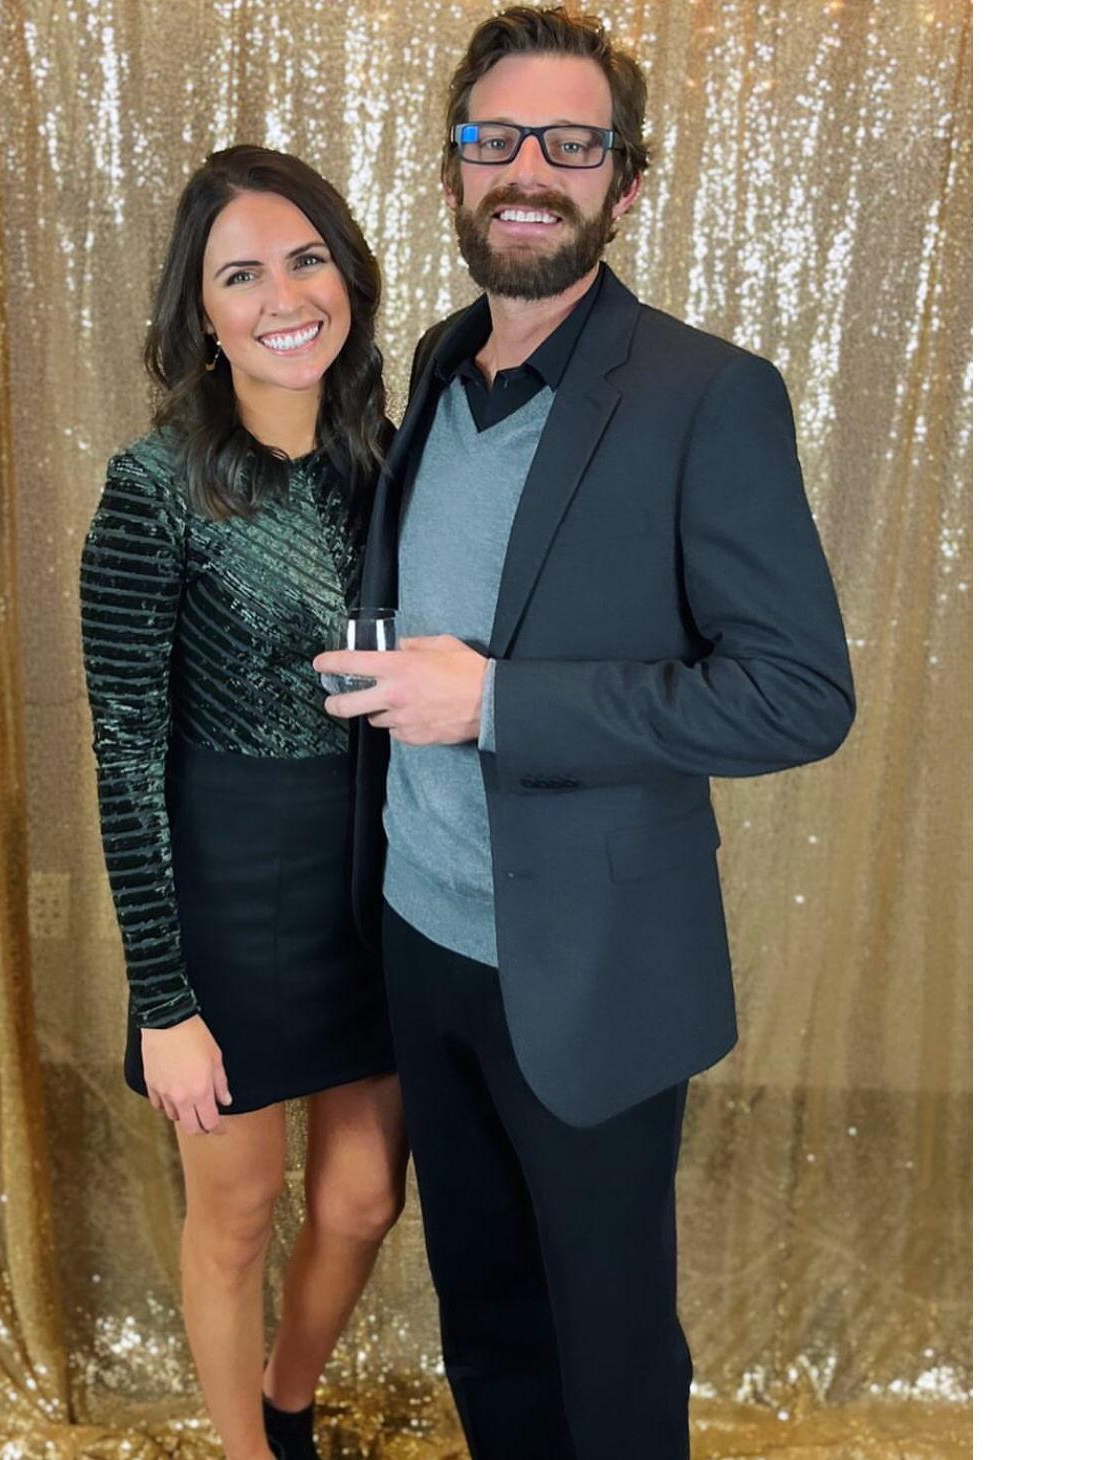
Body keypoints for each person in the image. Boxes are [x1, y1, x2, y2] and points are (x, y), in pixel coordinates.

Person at [313, 8, 856, 1457]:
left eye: (572, 143)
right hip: (421, 941)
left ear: (627, 182)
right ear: (453, 172)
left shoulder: (707, 396)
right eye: (495, 139)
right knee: (487, 1323)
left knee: (607, 1350)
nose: (529, 171)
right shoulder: (438, 361)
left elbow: (798, 694)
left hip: (593, 969)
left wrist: (497, 702)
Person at [79, 145, 407, 1460]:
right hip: (226, 896)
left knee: (364, 1200)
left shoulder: (391, 465)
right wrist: (164, 1003)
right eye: (241, 274)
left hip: (376, 881)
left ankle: (285, 1403)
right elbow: (123, 750)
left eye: (307, 259)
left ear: (348, 281)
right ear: (202, 314)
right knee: (236, 1214)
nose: (283, 296)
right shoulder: (154, 486)